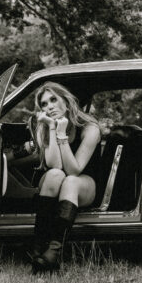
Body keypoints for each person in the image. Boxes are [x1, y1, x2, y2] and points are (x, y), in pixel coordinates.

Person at [30, 82, 101, 272]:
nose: (49, 106)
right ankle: (38, 248)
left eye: (53, 99)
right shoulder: (45, 126)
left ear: (66, 100)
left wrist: (62, 134)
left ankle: (54, 252)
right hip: (57, 182)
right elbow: (56, 166)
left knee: (70, 181)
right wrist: (52, 129)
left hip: (84, 184)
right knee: (54, 175)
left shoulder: (89, 128)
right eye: (44, 104)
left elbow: (74, 170)